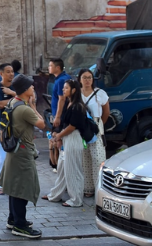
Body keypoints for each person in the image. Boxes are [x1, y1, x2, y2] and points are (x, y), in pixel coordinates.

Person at [0, 74, 44, 239]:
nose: (33, 88)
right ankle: (20, 225)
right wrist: (33, 106)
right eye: (31, 86)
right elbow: (42, 123)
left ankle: (13, 219)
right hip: (23, 153)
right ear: (25, 90)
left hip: (14, 150)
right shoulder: (24, 109)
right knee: (22, 189)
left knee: (14, 186)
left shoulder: (13, 102)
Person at [44, 80, 87, 207]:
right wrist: (60, 138)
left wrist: (59, 136)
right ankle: (55, 194)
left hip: (73, 139)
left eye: (66, 88)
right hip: (66, 139)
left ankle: (76, 199)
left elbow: (72, 126)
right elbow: (65, 124)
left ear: (73, 90)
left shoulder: (78, 106)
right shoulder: (69, 103)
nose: (63, 90)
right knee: (62, 168)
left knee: (73, 170)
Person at [79, 68, 109, 197]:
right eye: (84, 77)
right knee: (84, 158)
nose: (87, 80)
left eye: (89, 77)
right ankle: (88, 189)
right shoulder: (77, 94)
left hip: (95, 126)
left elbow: (106, 111)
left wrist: (98, 125)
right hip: (80, 127)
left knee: (98, 157)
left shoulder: (99, 93)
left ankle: (99, 188)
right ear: (80, 79)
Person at [0, 62, 16, 195]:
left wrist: (12, 93)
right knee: (1, 157)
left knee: (15, 157)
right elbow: (0, 104)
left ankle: (12, 182)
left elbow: (27, 99)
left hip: (16, 125)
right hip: (2, 127)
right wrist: (16, 98)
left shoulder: (15, 88)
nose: (11, 74)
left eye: (12, 71)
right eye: (8, 71)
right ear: (1, 74)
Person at [49, 58, 71, 171]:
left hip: (61, 116)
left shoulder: (62, 80)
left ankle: (60, 165)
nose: (49, 68)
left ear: (57, 67)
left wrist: (57, 116)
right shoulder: (61, 79)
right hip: (60, 114)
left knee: (58, 140)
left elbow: (61, 99)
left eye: (51, 65)